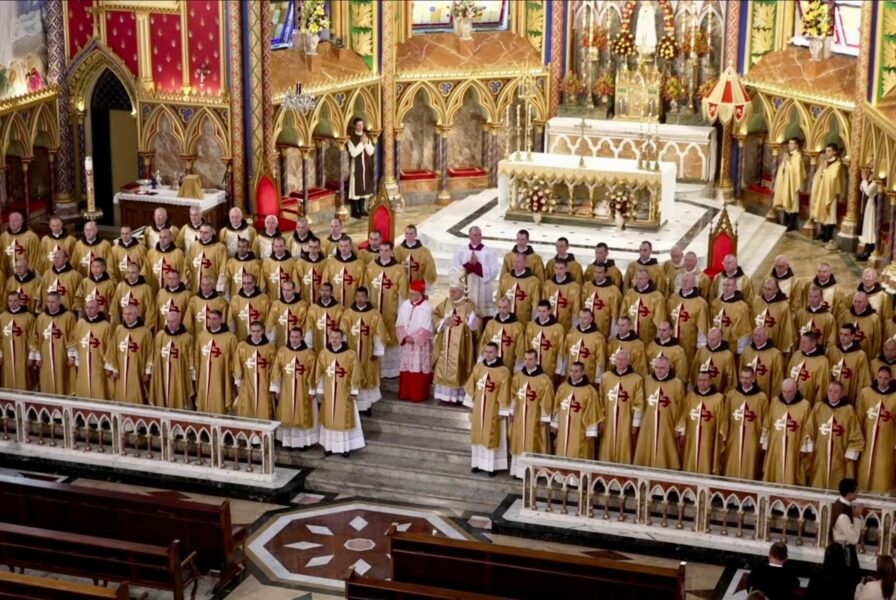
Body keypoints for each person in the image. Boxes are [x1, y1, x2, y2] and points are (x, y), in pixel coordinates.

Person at [463, 341, 512, 476]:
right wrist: (470, 405)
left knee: (492, 435)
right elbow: (471, 387)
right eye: (486, 352)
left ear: (497, 353)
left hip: (493, 410)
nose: (488, 354)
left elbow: (505, 392)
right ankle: (477, 463)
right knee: (478, 436)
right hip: (479, 409)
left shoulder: (503, 371)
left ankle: (492, 466)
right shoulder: (479, 367)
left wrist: (503, 410)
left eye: (490, 352)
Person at [432, 270, 479, 404]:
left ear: (462, 291)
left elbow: (476, 327)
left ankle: (457, 397)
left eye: (455, 291)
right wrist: (443, 322)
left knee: (459, 365)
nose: (451, 294)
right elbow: (435, 315)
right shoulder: (446, 303)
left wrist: (471, 316)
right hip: (445, 344)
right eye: (450, 291)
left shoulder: (469, 304)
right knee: (443, 364)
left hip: (462, 345)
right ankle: (443, 396)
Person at [316, 328, 364, 457]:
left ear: (342, 339)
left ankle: (345, 447)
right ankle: (329, 446)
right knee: (329, 418)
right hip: (329, 393)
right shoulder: (324, 353)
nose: (334, 340)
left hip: (345, 392)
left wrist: (354, 391)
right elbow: (320, 373)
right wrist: (320, 390)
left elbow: (356, 373)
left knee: (343, 418)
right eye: (332, 337)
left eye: (337, 338)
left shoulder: (350, 354)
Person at [506, 349, 554, 477]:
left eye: (530, 359)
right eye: (525, 359)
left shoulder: (544, 379)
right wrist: (511, 411)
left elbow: (547, 399)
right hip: (520, 416)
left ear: (537, 360)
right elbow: (513, 395)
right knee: (519, 442)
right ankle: (518, 471)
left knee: (535, 442)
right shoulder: (518, 377)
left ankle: (536, 473)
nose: (527, 362)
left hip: (535, 418)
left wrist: (544, 417)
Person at [339, 287, 386, 416]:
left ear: (367, 298)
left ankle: (367, 406)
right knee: (352, 376)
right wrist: (343, 350)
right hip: (351, 352)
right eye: (357, 296)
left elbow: (378, 333)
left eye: (362, 296)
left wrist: (377, 351)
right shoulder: (348, 313)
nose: (360, 299)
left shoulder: (374, 314)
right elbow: (343, 332)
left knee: (367, 377)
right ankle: (352, 407)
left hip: (368, 353)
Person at [809, 382, 864, 490]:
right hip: (820, 454)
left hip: (840, 455)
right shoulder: (819, 407)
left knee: (838, 481)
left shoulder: (849, 410)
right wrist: (810, 448)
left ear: (842, 394)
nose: (832, 394)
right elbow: (809, 429)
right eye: (830, 391)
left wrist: (850, 453)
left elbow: (856, 433)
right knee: (818, 480)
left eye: (836, 392)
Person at [364, 240, 407, 378]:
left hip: (391, 311)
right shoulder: (371, 267)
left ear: (391, 251)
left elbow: (402, 294)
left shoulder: (398, 270)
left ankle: (391, 370)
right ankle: (377, 369)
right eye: (381, 250)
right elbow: (367, 290)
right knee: (376, 336)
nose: (383, 253)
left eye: (386, 250)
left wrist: (400, 314)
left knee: (391, 338)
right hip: (375, 310)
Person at [270, 326, 318, 448]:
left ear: (302, 338)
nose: (294, 339)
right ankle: (288, 442)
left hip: (303, 391)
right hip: (286, 390)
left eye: (297, 337)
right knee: (287, 413)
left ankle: (303, 443)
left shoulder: (309, 354)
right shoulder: (282, 352)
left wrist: (312, 390)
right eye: (292, 337)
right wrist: (276, 388)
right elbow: (276, 371)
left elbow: (313, 374)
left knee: (302, 414)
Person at [635, 356, 685, 470]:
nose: (659, 370)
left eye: (662, 368)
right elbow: (639, 402)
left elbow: (681, 407)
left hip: (667, 424)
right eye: (656, 367)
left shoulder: (677, 383)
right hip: (648, 424)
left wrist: (679, 428)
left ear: (669, 368)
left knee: (665, 452)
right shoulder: (646, 380)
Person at [762, 378, 813, 486]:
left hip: (794, 446)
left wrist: (804, 448)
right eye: (784, 391)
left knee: (791, 470)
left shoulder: (805, 405)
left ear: (796, 390)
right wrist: (765, 443)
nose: (786, 395)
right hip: (775, 446)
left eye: (789, 392)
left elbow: (807, 428)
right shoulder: (775, 402)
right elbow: (768, 423)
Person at [598, 349, 644, 465]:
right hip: (608, 420)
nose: (620, 362)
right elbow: (600, 400)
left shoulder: (636, 379)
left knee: (625, 446)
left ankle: (624, 479)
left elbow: (639, 403)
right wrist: (601, 419)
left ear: (628, 362)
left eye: (623, 360)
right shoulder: (606, 377)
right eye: (618, 359)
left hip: (626, 420)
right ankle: (605, 478)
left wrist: (635, 424)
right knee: (606, 445)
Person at [722, 366, 769, 480]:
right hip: (734, 436)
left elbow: (766, 419)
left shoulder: (761, 397)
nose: (744, 381)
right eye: (742, 377)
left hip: (753, 437)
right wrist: (724, 435)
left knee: (750, 464)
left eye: (747, 378)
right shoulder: (732, 394)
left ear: (753, 378)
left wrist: (763, 440)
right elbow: (726, 416)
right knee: (731, 462)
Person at [677, 371, 728, 475]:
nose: (702, 383)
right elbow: (684, 414)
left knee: (706, 458)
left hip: (709, 437)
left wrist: (720, 437)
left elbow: (722, 420)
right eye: (700, 380)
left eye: (705, 380)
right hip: (691, 436)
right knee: (690, 457)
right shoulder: (691, 396)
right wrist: (681, 431)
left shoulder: (718, 398)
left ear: (710, 381)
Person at [856, 367, 896, 494]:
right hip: (867, 439)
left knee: (883, 471)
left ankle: (883, 501)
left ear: (891, 379)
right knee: (864, 468)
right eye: (880, 378)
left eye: (885, 378)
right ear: (876, 377)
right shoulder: (866, 393)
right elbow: (859, 416)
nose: (882, 381)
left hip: (886, 442)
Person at [104, 304, 152, 404]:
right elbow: (112, 349)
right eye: (124, 314)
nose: (127, 317)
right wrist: (112, 368)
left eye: (130, 314)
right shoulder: (119, 329)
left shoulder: (145, 332)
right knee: (120, 393)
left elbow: (150, 352)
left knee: (136, 393)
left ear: (137, 315)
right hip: (120, 370)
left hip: (137, 370)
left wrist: (148, 372)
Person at [553, 360, 601, 460]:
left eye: (576, 371)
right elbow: (558, 407)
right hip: (564, 428)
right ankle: (561, 474)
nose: (573, 374)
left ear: (583, 372)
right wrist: (555, 424)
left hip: (580, 430)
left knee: (578, 452)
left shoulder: (590, 391)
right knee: (562, 450)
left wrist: (591, 432)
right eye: (571, 371)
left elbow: (592, 413)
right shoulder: (563, 387)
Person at [148, 311, 195, 410]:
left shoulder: (187, 338)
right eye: (168, 321)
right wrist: (149, 370)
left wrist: (192, 375)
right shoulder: (160, 335)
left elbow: (191, 359)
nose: (170, 324)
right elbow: (153, 353)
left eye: (172, 321)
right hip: (161, 373)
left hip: (180, 375)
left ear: (179, 320)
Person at [194, 309, 238, 415]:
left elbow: (235, 359)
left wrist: (233, 374)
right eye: (209, 318)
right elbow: (197, 355)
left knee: (220, 398)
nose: (211, 321)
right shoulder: (202, 336)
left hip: (222, 375)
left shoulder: (230, 338)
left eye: (214, 319)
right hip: (204, 375)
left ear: (221, 320)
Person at [395, 280, 433, 402]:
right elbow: (399, 323)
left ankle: (418, 394)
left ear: (420, 294)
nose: (411, 297)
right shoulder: (405, 304)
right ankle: (405, 393)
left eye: (413, 294)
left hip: (419, 345)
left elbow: (427, 328)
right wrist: (405, 336)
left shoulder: (427, 307)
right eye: (410, 294)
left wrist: (414, 338)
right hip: (407, 343)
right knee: (407, 367)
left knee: (418, 367)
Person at [68, 298, 114, 400]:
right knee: (83, 387)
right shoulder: (81, 323)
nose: (89, 310)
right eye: (87, 308)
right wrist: (72, 357)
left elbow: (111, 347)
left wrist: (109, 366)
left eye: (92, 308)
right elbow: (74, 340)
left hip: (99, 364)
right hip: (83, 364)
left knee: (99, 388)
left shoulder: (106, 326)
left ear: (98, 309)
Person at [33, 291, 76, 396]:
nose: (50, 304)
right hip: (45, 357)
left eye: (53, 302)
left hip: (62, 356)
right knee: (46, 382)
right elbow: (36, 337)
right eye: (48, 302)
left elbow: (73, 336)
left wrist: (71, 356)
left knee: (63, 381)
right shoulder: (41, 318)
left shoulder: (68, 317)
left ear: (59, 302)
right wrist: (38, 357)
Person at [233, 320, 277, 419]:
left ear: (262, 331)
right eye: (253, 331)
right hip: (247, 383)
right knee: (247, 406)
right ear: (250, 331)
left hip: (264, 384)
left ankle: (263, 433)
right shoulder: (242, 346)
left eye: (258, 331)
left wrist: (273, 385)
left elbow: (274, 367)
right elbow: (237, 364)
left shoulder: (270, 348)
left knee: (264, 407)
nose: (255, 333)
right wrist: (238, 382)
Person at [453, 226, 499, 317]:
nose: (478, 237)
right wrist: (469, 266)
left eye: (480, 235)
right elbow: (455, 269)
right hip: (466, 288)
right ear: (469, 236)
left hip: (483, 290)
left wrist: (477, 266)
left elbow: (494, 271)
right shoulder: (461, 251)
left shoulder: (489, 252)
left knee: (482, 314)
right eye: (475, 235)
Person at [830, 478, 863, 588]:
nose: (858, 493)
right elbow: (853, 539)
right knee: (848, 583)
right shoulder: (842, 515)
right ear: (849, 494)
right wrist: (857, 516)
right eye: (856, 491)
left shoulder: (840, 503)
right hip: (844, 553)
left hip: (844, 550)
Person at [810, 143, 845, 247]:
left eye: (829, 151)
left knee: (830, 211)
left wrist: (824, 170)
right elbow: (818, 175)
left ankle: (828, 234)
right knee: (821, 210)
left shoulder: (837, 164)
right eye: (826, 151)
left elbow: (833, 177)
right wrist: (821, 170)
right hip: (822, 190)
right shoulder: (825, 162)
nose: (827, 153)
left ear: (834, 152)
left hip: (830, 192)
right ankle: (822, 232)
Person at [668, 272, 709, 359]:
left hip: (689, 342)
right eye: (683, 280)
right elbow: (667, 318)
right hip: (671, 339)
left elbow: (702, 327)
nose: (684, 283)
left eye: (688, 281)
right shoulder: (673, 298)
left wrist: (701, 345)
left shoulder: (700, 303)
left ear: (694, 284)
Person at [828, 323, 872, 403]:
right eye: (841, 334)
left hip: (850, 394)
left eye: (846, 335)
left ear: (852, 336)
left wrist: (858, 400)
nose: (842, 337)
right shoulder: (832, 351)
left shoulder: (860, 355)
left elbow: (863, 380)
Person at [0, 291, 35, 391]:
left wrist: (31, 356)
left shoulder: (29, 317)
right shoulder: (2, 317)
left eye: (15, 300)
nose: (12, 303)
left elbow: (32, 338)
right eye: (10, 300)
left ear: (20, 301)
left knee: (23, 380)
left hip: (23, 355)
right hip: (7, 356)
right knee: (7, 379)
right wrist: (0, 355)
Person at [526, 300, 567, 383]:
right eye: (539, 311)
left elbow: (561, 350)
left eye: (544, 311)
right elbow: (527, 347)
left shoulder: (558, 329)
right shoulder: (531, 326)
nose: (541, 314)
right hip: (532, 366)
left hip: (550, 366)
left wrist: (559, 369)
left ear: (549, 311)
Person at [771, 137, 807, 232]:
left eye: (792, 144)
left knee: (793, 204)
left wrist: (787, 162)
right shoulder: (788, 155)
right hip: (786, 182)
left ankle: (791, 224)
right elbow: (782, 168)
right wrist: (785, 163)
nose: (789, 145)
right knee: (786, 203)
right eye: (789, 144)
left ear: (797, 145)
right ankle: (785, 222)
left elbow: (796, 172)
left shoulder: (798, 156)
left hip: (793, 184)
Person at [563, 308, 607, 384]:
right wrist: (563, 370)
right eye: (580, 318)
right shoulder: (572, 332)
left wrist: (598, 378)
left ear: (591, 319)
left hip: (588, 376)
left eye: (585, 318)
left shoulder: (598, 337)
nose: (582, 321)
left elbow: (600, 360)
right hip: (571, 375)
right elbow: (566, 353)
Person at [480, 297, 525, 370]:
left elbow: (520, 350)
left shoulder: (517, 327)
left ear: (510, 307)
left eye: (504, 307)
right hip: (491, 365)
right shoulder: (491, 324)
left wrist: (517, 368)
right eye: (499, 307)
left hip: (508, 365)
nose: (501, 310)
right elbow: (484, 343)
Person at [740, 327, 785, 400]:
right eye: (755, 335)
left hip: (765, 393)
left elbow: (778, 378)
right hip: (746, 392)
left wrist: (774, 398)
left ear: (767, 337)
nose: (757, 338)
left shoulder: (775, 354)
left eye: (761, 335)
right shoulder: (747, 351)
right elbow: (740, 370)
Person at [711, 277, 753, 354]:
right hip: (714, 343)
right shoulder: (715, 303)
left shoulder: (742, 306)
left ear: (735, 288)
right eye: (724, 285)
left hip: (731, 344)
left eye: (729, 285)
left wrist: (740, 349)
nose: (726, 288)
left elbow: (743, 329)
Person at [753, 278, 796, 354]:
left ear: (776, 290)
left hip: (774, 347)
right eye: (765, 288)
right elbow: (750, 322)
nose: (766, 291)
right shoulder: (756, 302)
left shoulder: (783, 307)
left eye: (769, 289)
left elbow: (786, 330)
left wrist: (784, 350)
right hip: (755, 345)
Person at [498, 251, 542, 324]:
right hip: (506, 321)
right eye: (514, 261)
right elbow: (499, 298)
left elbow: (535, 305)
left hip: (523, 321)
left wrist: (533, 323)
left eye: (519, 261)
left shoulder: (533, 282)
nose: (516, 264)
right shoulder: (506, 278)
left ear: (525, 263)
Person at [788, 332, 831, 405]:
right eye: (801, 342)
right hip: (790, 396)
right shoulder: (797, 354)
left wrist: (817, 406)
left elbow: (823, 387)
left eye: (804, 342)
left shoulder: (823, 361)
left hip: (808, 399)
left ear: (813, 343)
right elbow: (788, 374)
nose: (801, 345)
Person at [111, 262, 157, 331]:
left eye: (133, 273)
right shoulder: (121, 286)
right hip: (124, 327)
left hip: (140, 327)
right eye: (128, 272)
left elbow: (150, 311)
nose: (130, 275)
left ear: (139, 273)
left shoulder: (146, 289)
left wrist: (145, 330)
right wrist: (117, 327)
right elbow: (115, 308)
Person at [581, 262, 622, 339]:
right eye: (595, 272)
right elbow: (582, 306)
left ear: (605, 273)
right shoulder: (587, 286)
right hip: (585, 326)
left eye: (600, 272)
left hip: (603, 329)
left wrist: (613, 333)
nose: (597, 275)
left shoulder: (613, 291)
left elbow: (615, 315)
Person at [691, 327, 737, 393]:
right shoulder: (701, 351)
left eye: (713, 339)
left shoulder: (727, 356)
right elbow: (694, 370)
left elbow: (731, 379)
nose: (710, 341)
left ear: (720, 338)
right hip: (700, 392)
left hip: (719, 393)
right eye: (708, 338)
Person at [323, 237, 365, 307]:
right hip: (334, 304)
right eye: (341, 246)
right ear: (338, 247)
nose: (343, 248)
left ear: (351, 247)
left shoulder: (360, 265)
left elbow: (362, 285)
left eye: (346, 246)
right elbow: (325, 283)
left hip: (353, 304)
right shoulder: (331, 264)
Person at [228, 272, 270, 342]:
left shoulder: (264, 299)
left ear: (254, 283)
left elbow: (268, 320)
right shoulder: (235, 299)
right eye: (244, 283)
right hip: (240, 336)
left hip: (260, 338)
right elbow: (231, 320)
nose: (246, 286)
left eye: (249, 283)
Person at [143, 228, 188, 293]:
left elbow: (182, 273)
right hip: (154, 291)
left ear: (171, 238)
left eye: (165, 237)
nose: (162, 240)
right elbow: (145, 273)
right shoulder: (151, 253)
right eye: (160, 237)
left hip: (173, 293)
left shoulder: (178, 253)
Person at [265, 278, 308, 347]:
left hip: (297, 343)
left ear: (294, 290)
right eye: (284, 290)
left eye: (289, 290)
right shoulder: (276, 304)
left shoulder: (302, 305)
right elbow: (271, 323)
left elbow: (305, 325)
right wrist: (272, 341)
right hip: (280, 341)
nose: (286, 292)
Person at [795, 285, 839, 350]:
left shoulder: (829, 318)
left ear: (821, 298)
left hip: (820, 355)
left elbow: (831, 342)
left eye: (815, 297)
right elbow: (795, 336)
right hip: (802, 352)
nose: (812, 299)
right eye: (810, 296)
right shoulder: (800, 314)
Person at [186, 223, 228, 292]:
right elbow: (186, 264)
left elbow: (223, 269)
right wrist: (191, 278)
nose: (202, 235)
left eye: (206, 232)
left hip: (212, 287)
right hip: (195, 287)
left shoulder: (220, 248)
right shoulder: (194, 246)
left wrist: (220, 287)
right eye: (201, 232)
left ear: (212, 233)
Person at [304, 282, 344, 353]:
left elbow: (342, 328)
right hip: (317, 342)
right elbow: (309, 327)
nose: (324, 293)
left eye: (327, 290)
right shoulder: (313, 308)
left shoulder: (339, 309)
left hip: (335, 345)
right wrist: (309, 345)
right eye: (322, 290)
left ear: (331, 293)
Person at [347, 118, 375, 218]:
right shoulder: (351, 139)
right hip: (356, 167)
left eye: (362, 125)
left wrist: (366, 142)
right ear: (355, 126)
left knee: (364, 188)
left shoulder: (367, 137)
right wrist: (361, 143)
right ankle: (356, 210)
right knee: (356, 188)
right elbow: (353, 153)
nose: (360, 127)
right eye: (358, 125)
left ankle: (362, 209)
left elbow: (371, 152)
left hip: (366, 166)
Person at [394, 225, 437, 291]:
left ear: (416, 234)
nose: (409, 236)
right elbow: (394, 267)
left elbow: (429, 270)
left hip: (418, 285)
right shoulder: (397, 250)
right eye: (406, 233)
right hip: (402, 285)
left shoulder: (425, 252)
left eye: (411, 233)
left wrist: (426, 286)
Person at [542, 258, 581, 332]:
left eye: (561, 268)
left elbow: (575, 310)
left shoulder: (574, 287)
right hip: (548, 325)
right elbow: (543, 306)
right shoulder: (548, 284)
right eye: (556, 268)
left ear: (566, 269)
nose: (558, 271)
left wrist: (574, 329)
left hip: (566, 325)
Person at [842, 292, 882, 362]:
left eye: (860, 302)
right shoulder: (846, 314)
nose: (856, 304)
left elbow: (877, 340)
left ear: (866, 303)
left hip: (865, 355)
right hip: (845, 354)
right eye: (855, 301)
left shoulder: (874, 319)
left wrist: (873, 357)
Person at [0, 211, 41, 279]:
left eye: (15, 221)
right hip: (8, 277)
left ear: (22, 221)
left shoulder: (31, 237)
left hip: (26, 277)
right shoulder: (3, 237)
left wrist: (29, 275)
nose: (12, 223)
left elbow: (35, 258)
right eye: (10, 221)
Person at [294, 236, 329, 305]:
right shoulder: (300, 263)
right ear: (308, 247)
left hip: (321, 299)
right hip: (304, 298)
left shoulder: (325, 263)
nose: (312, 250)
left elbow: (327, 280)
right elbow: (296, 281)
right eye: (310, 247)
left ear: (319, 248)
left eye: (315, 247)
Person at [857, 167, 880, 262]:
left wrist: (865, 180)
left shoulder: (877, 181)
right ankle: (866, 249)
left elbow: (869, 192)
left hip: (872, 206)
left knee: (870, 227)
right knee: (866, 227)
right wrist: (865, 179)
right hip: (867, 206)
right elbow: (861, 188)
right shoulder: (870, 179)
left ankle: (869, 250)